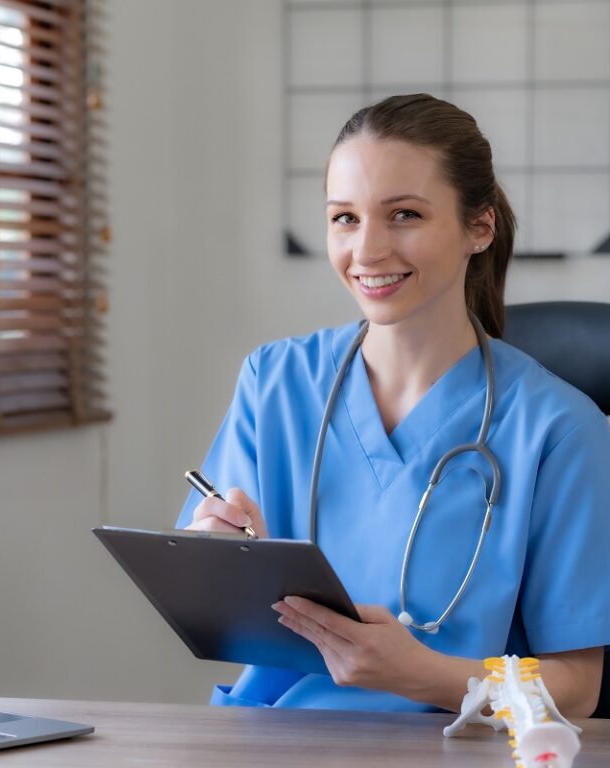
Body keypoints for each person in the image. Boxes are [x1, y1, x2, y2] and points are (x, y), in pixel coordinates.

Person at [176, 94, 610, 715]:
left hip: (450, 750)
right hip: (270, 743)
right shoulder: (273, 381)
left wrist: (425, 674)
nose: (368, 250)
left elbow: (578, 688)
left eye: (404, 214)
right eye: (345, 218)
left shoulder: (559, 429)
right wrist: (213, 552)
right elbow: (215, 600)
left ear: (478, 227)